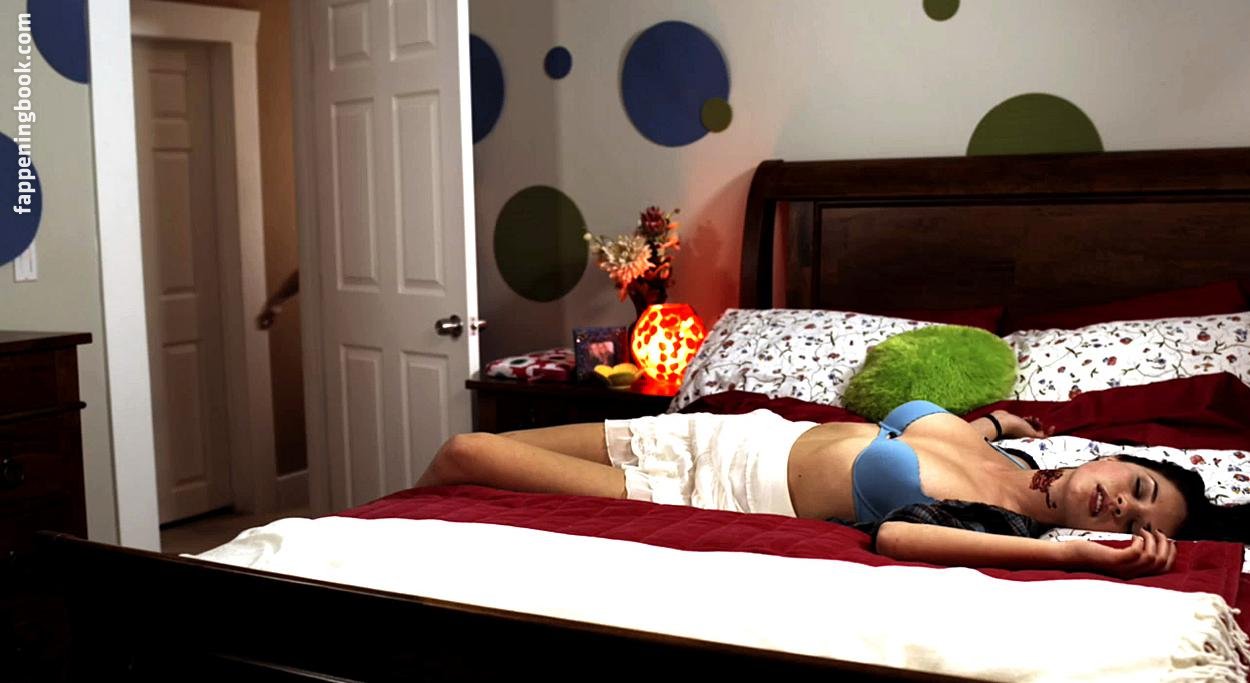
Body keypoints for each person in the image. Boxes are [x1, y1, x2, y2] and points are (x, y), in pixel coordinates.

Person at [417, 401, 1247, 578]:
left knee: (465, 451)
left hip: (708, 489)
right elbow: (916, 429)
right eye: (1138, 485)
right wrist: (995, 423)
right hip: (712, 429)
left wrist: (1076, 555)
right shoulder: (1003, 453)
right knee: (476, 449)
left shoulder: (1007, 524)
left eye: (1139, 514)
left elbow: (897, 537)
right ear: (1109, 459)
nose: (1124, 503)